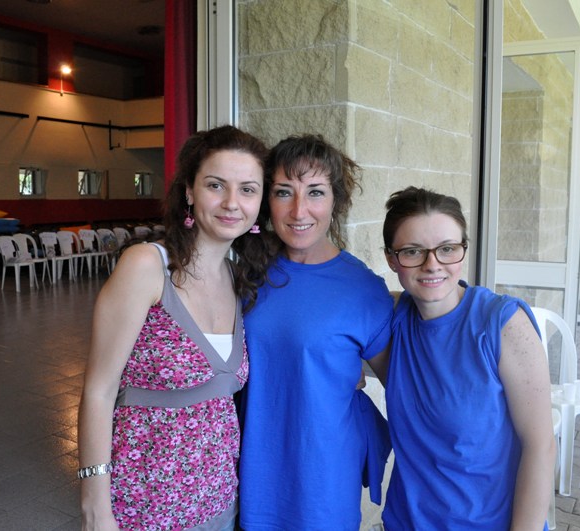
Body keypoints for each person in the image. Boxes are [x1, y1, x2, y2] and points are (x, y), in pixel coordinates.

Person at [77, 125, 269, 531]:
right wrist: (95, 508)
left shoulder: (237, 278)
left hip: (219, 504)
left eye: (248, 190)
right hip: (142, 508)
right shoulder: (147, 266)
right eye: (216, 185)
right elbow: (98, 391)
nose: (232, 203)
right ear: (189, 192)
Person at [238, 134, 395, 530]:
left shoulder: (362, 289)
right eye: (284, 192)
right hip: (246, 473)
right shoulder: (247, 273)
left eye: (316, 192)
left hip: (322, 481)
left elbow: (401, 386)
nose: (299, 210)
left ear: (335, 201)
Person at [380, 186, 556, 530]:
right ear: (391, 259)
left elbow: (540, 447)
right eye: (413, 251)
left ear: (463, 249)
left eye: (447, 249)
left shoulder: (503, 324)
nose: (432, 264)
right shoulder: (390, 318)